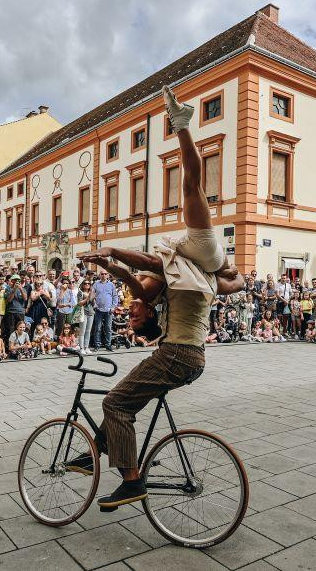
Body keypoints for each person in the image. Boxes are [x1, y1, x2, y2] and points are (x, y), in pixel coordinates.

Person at [70, 85, 245, 512]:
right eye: (134, 316)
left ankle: (130, 481)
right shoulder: (181, 279)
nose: (131, 312)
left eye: (132, 315)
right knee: (127, 399)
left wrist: (113, 254)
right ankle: (98, 449)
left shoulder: (176, 276)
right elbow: (142, 283)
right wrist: (231, 276)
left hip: (179, 353)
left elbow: (144, 271)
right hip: (189, 352)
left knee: (115, 401)